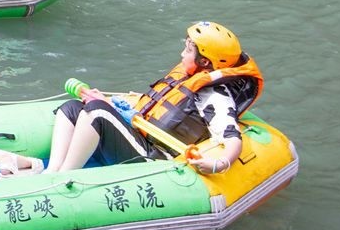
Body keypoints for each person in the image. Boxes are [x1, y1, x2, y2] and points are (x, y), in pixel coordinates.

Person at [40, 22, 263, 176]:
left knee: (97, 112)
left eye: (187, 50)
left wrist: (218, 164)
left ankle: (64, 178)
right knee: (72, 108)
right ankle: (54, 172)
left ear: (205, 62)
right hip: (139, 138)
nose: (182, 55)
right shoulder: (189, 76)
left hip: (154, 157)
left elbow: (232, 138)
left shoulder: (213, 95)